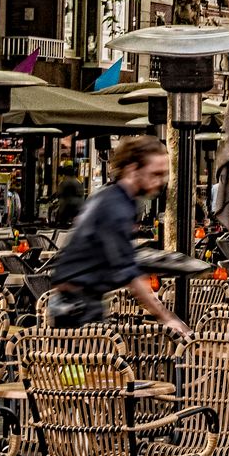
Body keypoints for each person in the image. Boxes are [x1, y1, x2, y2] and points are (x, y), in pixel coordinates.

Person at [42, 135, 189, 336]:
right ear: (132, 169)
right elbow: (128, 272)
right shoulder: (116, 207)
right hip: (76, 309)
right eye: (155, 173)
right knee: (92, 366)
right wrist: (167, 317)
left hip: (80, 303)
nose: (161, 181)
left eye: (164, 175)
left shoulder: (111, 197)